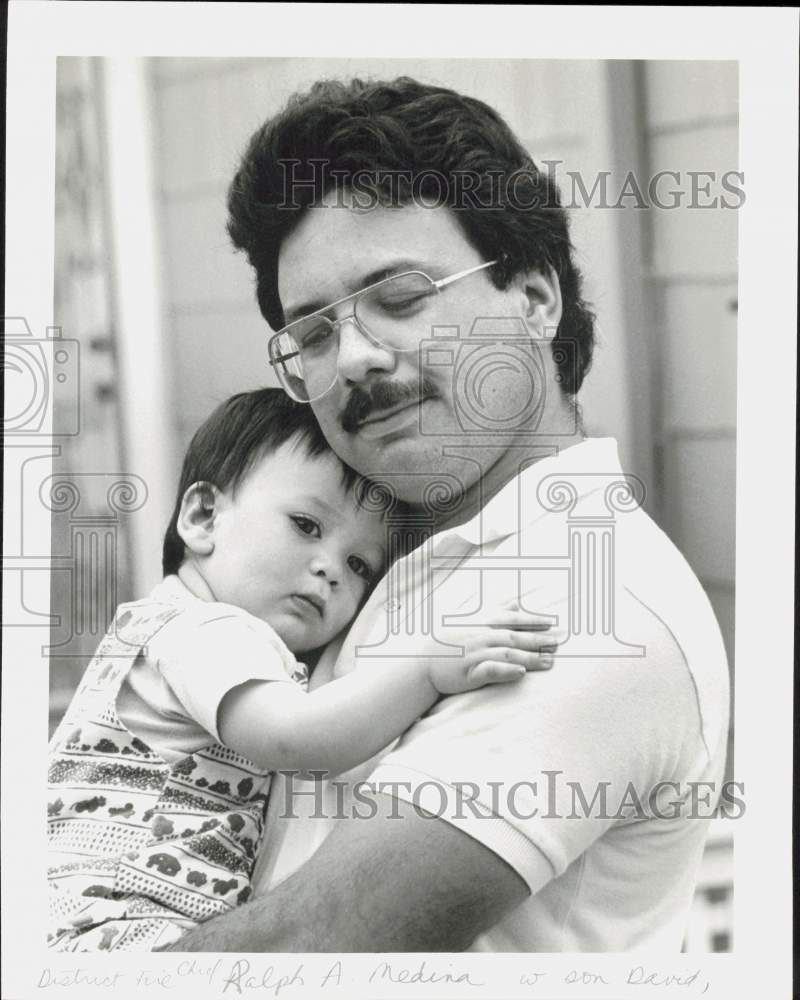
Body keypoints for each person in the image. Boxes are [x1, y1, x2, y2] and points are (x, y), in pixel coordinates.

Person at [169, 77, 729, 953]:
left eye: (400, 298)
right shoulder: (371, 555)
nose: (352, 357)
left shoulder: (586, 602)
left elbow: (299, 954)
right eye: (312, 333)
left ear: (535, 300)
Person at [47, 388, 558, 952]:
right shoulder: (202, 632)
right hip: (110, 932)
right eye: (307, 526)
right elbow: (297, 739)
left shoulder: (173, 626)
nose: (331, 570)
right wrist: (427, 668)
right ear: (202, 517)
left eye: (359, 563)